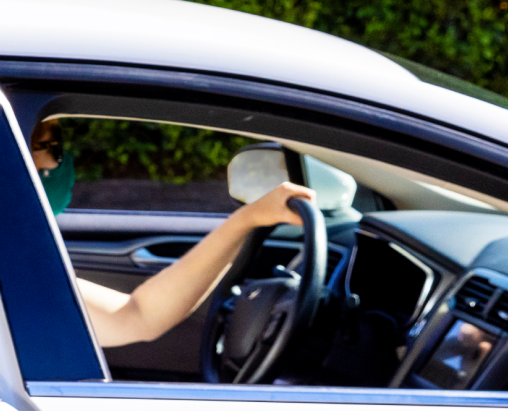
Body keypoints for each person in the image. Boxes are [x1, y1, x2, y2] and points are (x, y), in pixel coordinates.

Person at [33, 118, 315, 347]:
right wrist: (247, 219)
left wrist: (247, 219)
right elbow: (138, 317)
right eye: (52, 145)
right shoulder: (8, 271)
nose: (59, 162)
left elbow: (139, 315)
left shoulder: (4, 260)